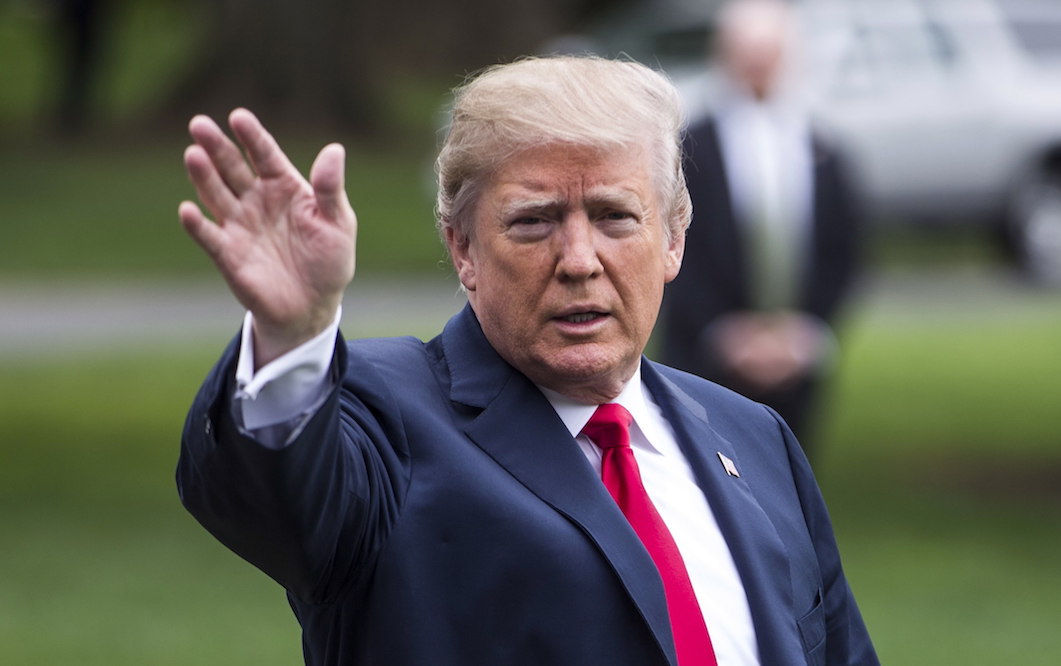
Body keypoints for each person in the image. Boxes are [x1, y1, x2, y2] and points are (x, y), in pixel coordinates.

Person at [176, 55, 878, 665]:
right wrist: (292, 334)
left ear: (672, 240)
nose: (578, 261)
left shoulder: (753, 438)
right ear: (462, 249)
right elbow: (272, 494)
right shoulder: (379, 415)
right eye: (532, 221)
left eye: (614, 217)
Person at [660, 0, 864, 452]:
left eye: (769, 51)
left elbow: (844, 249)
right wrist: (725, 334)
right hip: (703, 357)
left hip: (798, 360)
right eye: (746, 50)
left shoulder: (823, 148)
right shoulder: (686, 148)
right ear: (725, 53)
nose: (757, 64)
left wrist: (805, 332)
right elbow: (671, 244)